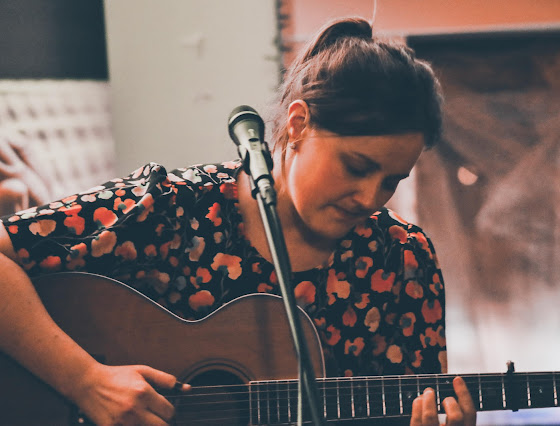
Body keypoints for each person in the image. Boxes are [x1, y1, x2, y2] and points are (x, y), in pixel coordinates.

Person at [0, 16, 476, 426]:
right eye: (355, 167)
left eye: (392, 181)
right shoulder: (171, 208)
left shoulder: (402, 259)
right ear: (298, 124)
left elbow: (415, 403)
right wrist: (85, 380)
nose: (370, 198)